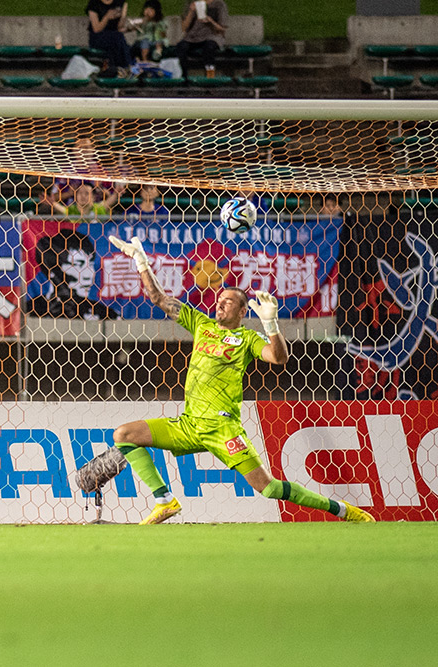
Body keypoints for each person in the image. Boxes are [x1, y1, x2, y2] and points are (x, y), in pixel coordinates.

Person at [105, 234, 376, 524]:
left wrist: (271, 324)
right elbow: (160, 299)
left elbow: (278, 358)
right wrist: (141, 261)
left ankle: (343, 510)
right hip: (190, 424)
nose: (220, 304)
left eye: (229, 302)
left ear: (243, 311)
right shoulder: (201, 324)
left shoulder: (247, 338)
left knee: (269, 488)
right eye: (220, 300)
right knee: (124, 435)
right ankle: (165, 502)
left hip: (223, 428)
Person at [27, 228, 114, 321]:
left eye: (91, 264)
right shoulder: (31, 310)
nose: (88, 275)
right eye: (78, 264)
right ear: (52, 269)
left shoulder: (103, 313)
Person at [175, 0, 228, 77]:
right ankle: (183, 76)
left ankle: (210, 76)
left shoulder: (219, 4)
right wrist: (191, 12)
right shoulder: (191, 3)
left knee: (209, 48)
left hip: (212, 36)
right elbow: (184, 28)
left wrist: (210, 21)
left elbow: (222, 29)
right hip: (193, 37)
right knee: (181, 47)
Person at [85, 0, 130, 77]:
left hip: (115, 38)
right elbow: (96, 29)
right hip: (98, 37)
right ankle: (124, 67)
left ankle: (119, 69)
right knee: (117, 39)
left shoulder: (118, 3)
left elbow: (119, 27)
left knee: (119, 39)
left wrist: (123, 15)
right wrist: (107, 17)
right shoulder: (94, 4)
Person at [54, 183, 124, 218]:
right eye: (80, 193)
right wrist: (52, 202)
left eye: (87, 193)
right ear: (76, 196)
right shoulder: (71, 210)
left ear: (93, 197)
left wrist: (115, 194)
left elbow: (109, 202)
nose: (83, 196)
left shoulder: (98, 209)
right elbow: (60, 208)